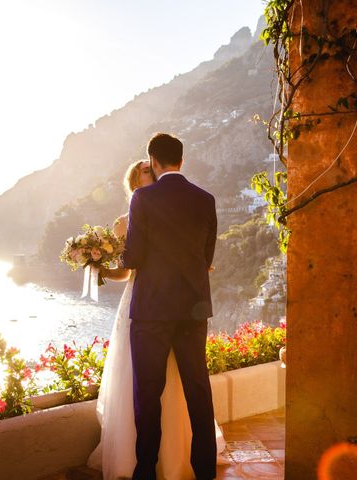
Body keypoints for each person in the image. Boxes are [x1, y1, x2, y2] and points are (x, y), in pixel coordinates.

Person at [87, 154, 224, 480]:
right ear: (136, 182)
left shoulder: (159, 205)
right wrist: (101, 267)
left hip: (155, 310)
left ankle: (157, 466)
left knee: (158, 390)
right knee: (172, 388)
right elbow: (129, 268)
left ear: (157, 165)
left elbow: (135, 257)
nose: (148, 176)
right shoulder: (153, 208)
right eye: (143, 173)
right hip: (162, 304)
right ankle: (168, 465)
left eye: (150, 169)